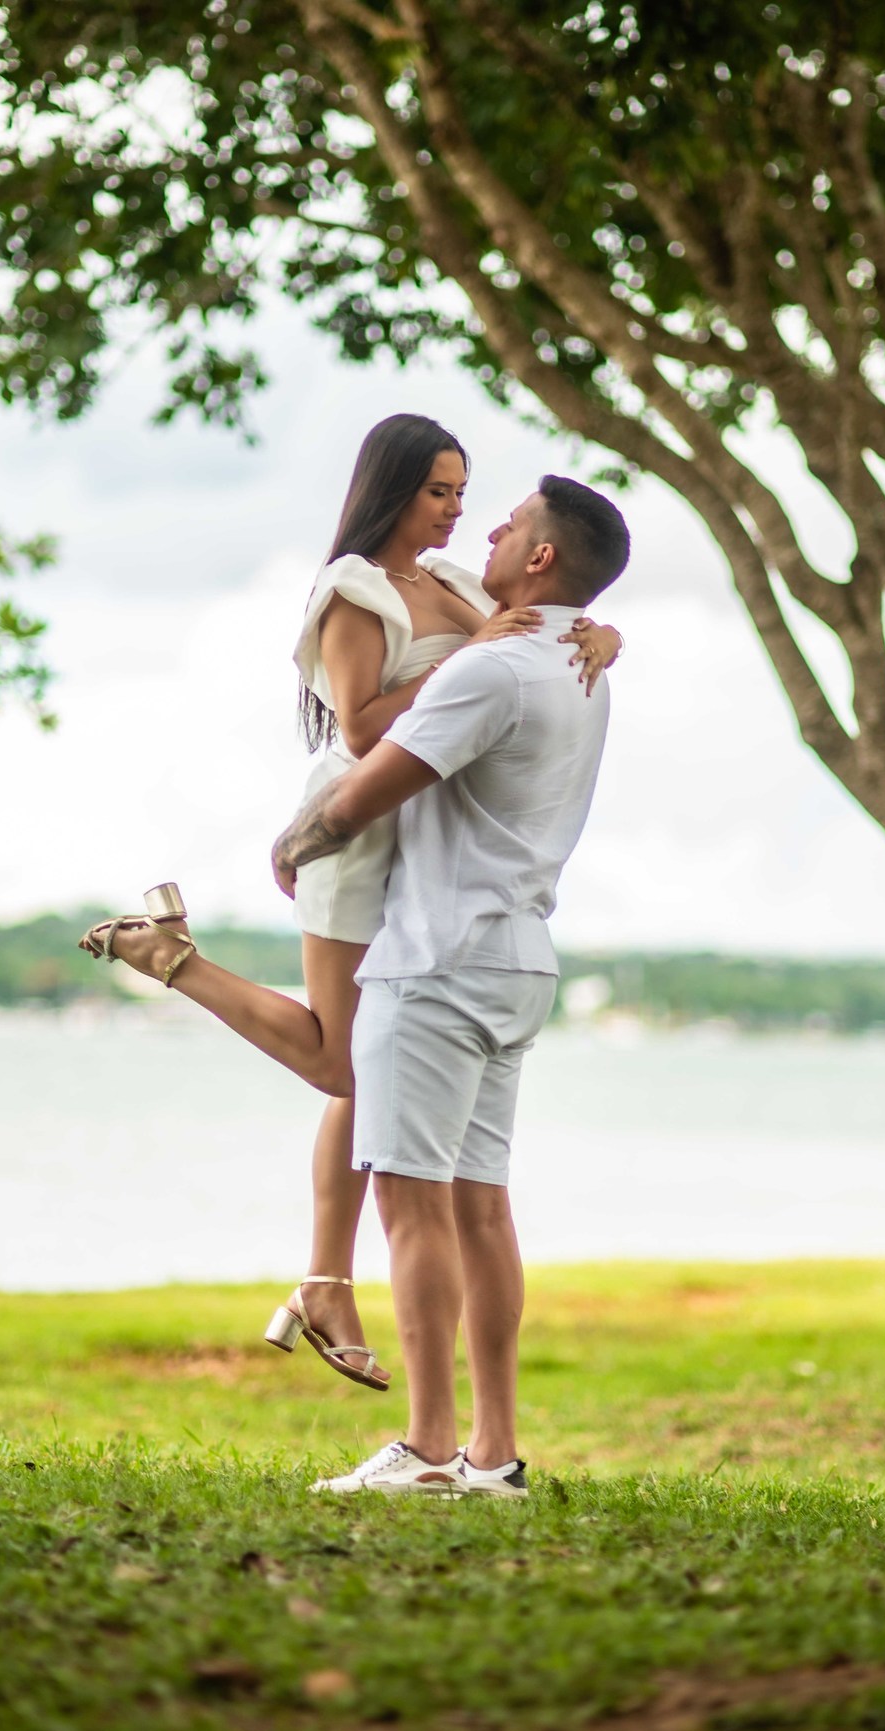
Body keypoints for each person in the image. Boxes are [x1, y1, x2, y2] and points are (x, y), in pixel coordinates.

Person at [79, 418, 622, 1392]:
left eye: (464, 494)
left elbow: (537, 626)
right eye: (438, 492)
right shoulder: (354, 592)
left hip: (424, 844)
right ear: (393, 489)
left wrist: (602, 634)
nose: (457, 513)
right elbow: (365, 726)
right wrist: (468, 661)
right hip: (353, 829)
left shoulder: (454, 582)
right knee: (342, 1064)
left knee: (368, 1071)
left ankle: (325, 1280)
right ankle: (171, 959)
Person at [268, 474, 630, 1497]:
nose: (490, 530)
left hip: (436, 962)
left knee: (414, 1208)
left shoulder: (494, 669)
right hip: (517, 958)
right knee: (482, 1211)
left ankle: (428, 1448)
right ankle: (493, 1453)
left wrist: (293, 845)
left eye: (509, 523)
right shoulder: (581, 665)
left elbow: (366, 788)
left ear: (542, 557)